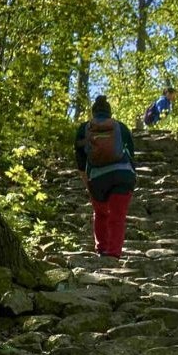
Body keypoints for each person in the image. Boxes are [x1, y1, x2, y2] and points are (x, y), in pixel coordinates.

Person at [75, 95, 136, 258]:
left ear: (93, 113)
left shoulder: (84, 129)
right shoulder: (121, 127)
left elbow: (81, 161)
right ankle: (114, 253)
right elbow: (131, 153)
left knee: (101, 213)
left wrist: (87, 181)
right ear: (110, 113)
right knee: (118, 216)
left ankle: (101, 249)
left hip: (97, 178)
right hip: (123, 175)